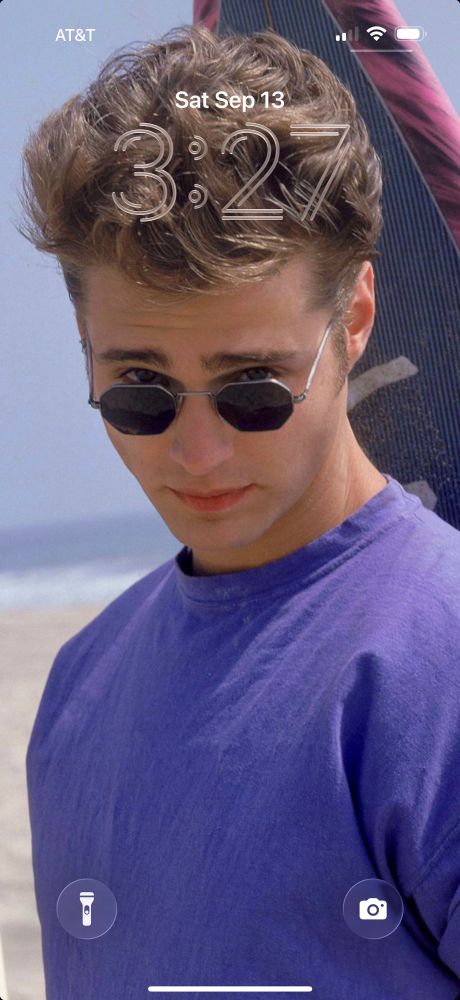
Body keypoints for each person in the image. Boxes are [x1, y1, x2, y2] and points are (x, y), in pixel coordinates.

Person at [18, 23, 460, 1000]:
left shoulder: (436, 672)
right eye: (138, 389)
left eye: (252, 386)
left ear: (352, 320)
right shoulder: (79, 688)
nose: (199, 452)